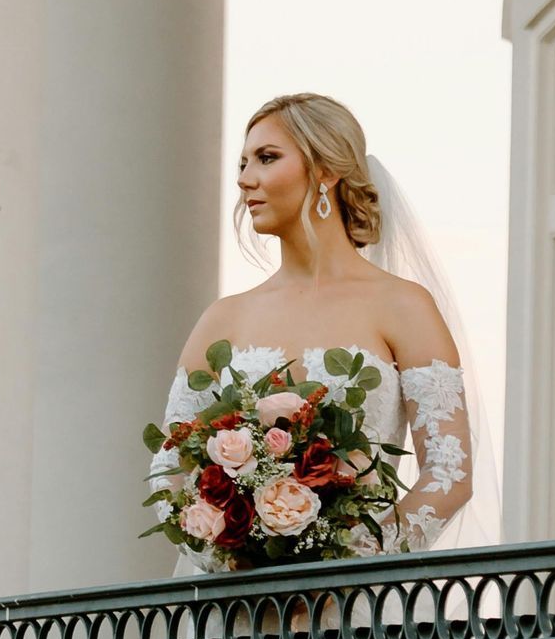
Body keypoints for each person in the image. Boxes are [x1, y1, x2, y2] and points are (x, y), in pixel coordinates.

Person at [162, 90, 492, 563]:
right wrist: (235, 558)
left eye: (267, 158)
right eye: (242, 163)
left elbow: (448, 473)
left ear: (326, 170)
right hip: (235, 611)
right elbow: (170, 464)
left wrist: (347, 562)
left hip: (352, 605)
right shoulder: (223, 318)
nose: (245, 179)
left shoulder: (403, 305)